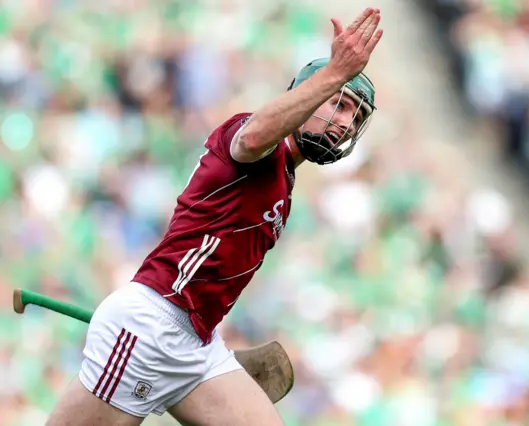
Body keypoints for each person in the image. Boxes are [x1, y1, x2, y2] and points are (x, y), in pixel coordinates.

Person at [46, 7, 383, 426]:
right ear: (304, 93)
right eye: (338, 102)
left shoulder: (285, 177)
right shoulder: (250, 139)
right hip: (152, 323)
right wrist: (334, 72)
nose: (343, 122)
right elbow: (257, 133)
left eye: (354, 115)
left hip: (196, 345)